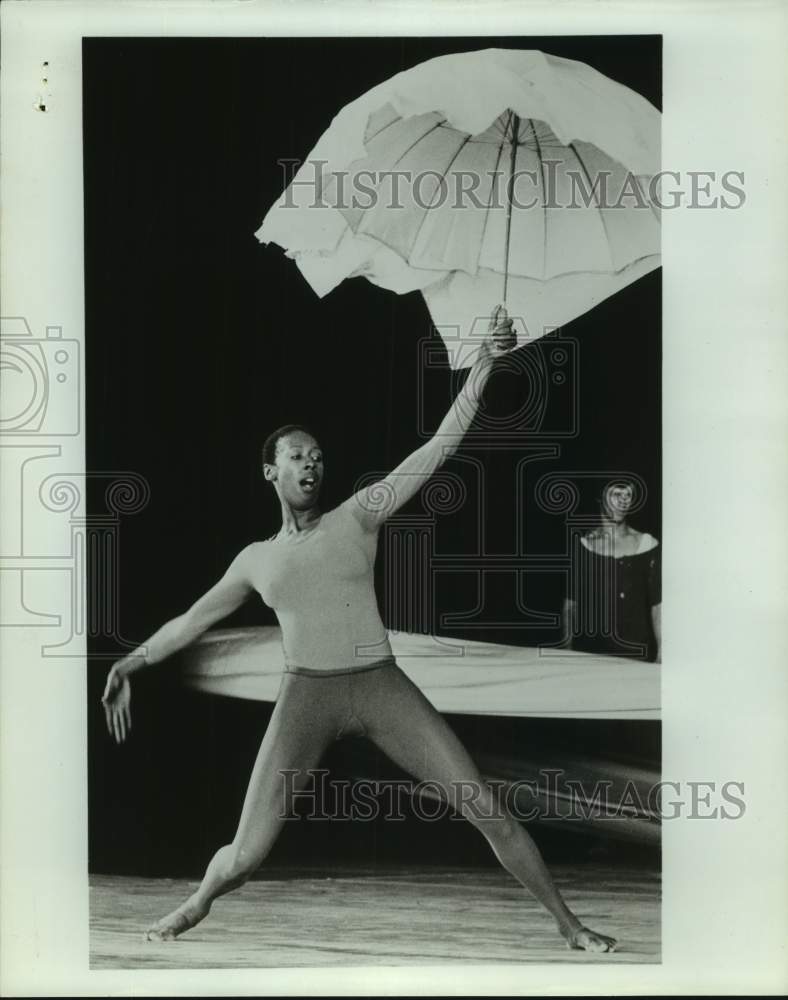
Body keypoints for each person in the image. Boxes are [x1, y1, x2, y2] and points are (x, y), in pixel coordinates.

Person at [102, 306, 617, 952]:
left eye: (317, 457)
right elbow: (192, 619)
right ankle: (193, 906)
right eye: (297, 457)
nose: (311, 465)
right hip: (305, 698)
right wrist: (131, 664)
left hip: (379, 686)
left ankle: (569, 926)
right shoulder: (256, 560)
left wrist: (484, 363)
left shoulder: (359, 515)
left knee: (484, 807)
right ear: (271, 472)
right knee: (246, 854)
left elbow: (439, 447)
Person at [562, 480, 661, 663]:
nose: (623, 501)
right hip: (591, 657)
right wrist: (567, 650)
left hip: (636, 658)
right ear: (601, 497)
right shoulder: (583, 546)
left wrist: (662, 653)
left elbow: (658, 606)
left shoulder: (648, 545)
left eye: (628, 495)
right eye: (617, 494)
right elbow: (570, 605)